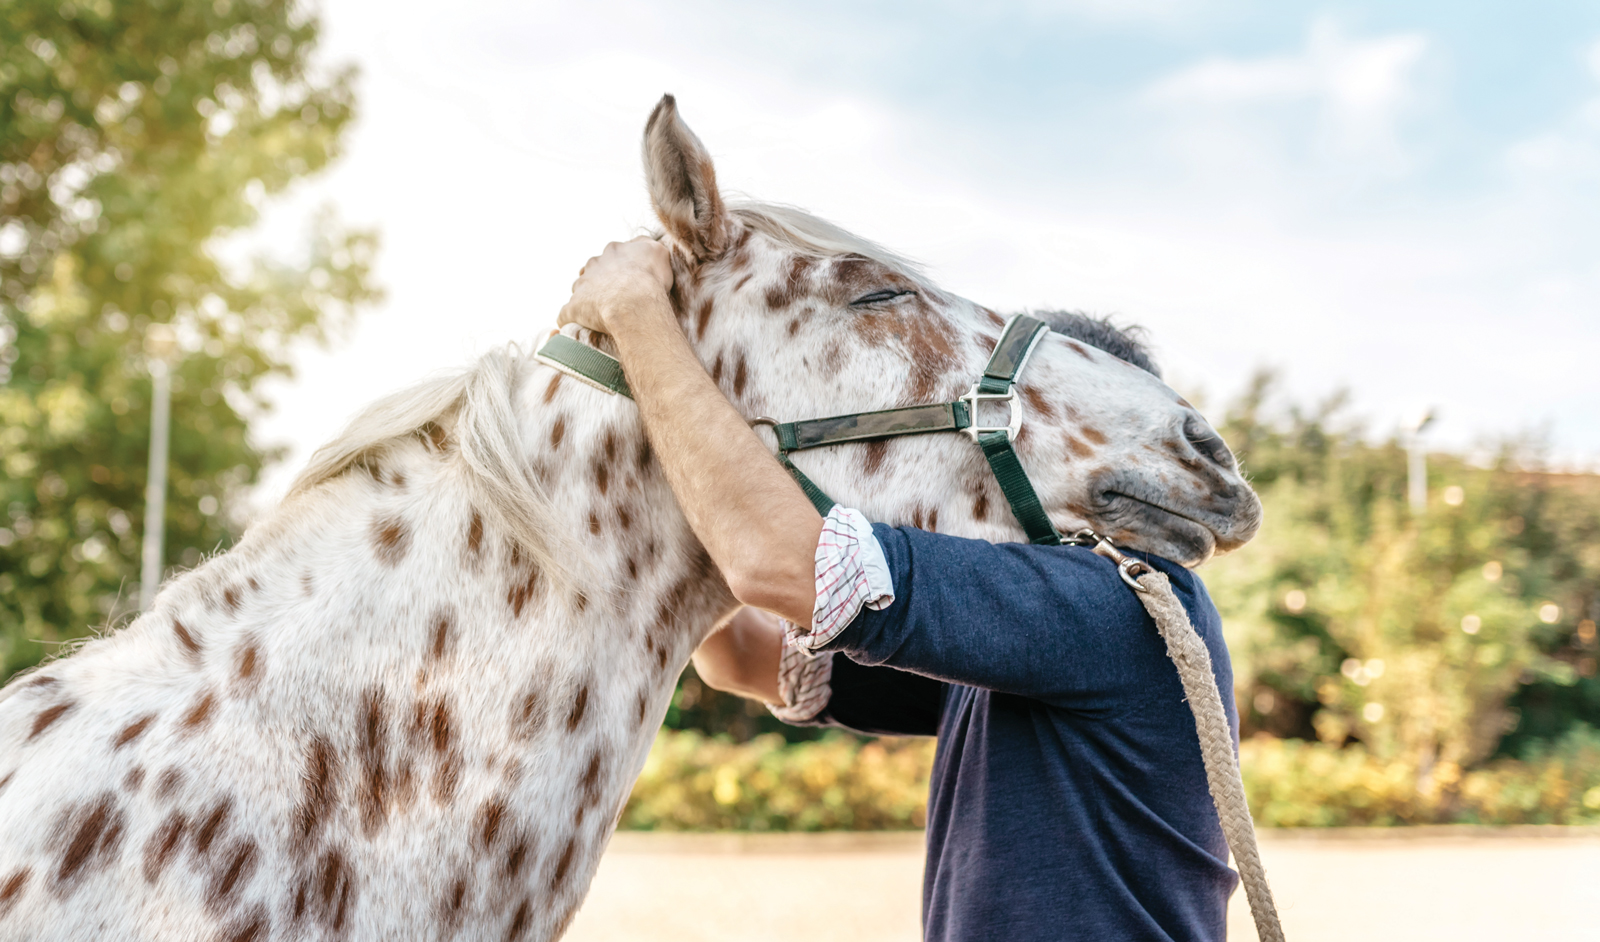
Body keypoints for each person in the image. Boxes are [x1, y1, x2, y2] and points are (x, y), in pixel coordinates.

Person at [558, 237, 1239, 942]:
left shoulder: (1112, 607)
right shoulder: (1018, 657)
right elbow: (735, 657)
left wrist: (637, 314)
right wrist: (699, 440)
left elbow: (779, 565)